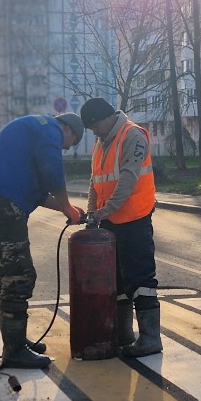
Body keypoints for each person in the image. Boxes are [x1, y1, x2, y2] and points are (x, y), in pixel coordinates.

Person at [0, 113, 86, 368]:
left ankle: (16, 341)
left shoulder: (27, 129)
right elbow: (51, 168)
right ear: (66, 128)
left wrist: (67, 209)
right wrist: (66, 205)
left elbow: (36, 193)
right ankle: (14, 352)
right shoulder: (50, 129)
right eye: (71, 141)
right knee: (19, 277)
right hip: (3, 204)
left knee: (4, 276)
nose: (67, 147)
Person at [80, 97, 162, 358]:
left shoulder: (132, 136)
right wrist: (93, 210)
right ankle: (123, 334)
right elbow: (96, 179)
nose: (94, 132)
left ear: (105, 118)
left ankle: (150, 339)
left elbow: (128, 178)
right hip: (111, 222)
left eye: (94, 126)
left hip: (134, 220)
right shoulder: (101, 142)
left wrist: (105, 210)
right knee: (115, 280)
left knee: (140, 278)